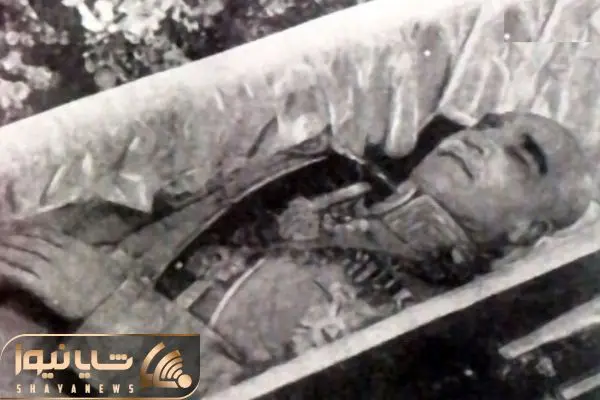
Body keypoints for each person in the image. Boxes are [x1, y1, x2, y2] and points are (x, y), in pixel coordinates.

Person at [0, 112, 594, 396]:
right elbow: (145, 215)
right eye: (488, 125)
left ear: (528, 233)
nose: (479, 140)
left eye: (522, 156)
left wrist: (109, 308)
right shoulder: (323, 167)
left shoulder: (438, 333)